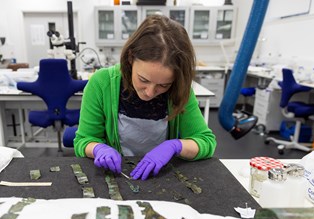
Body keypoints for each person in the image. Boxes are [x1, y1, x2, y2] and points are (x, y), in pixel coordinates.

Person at [74, 14, 217, 180]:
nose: (149, 92)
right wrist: (98, 148)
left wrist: (175, 146)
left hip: (161, 176)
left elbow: (206, 142)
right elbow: (83, 141)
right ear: (130, 58)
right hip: (119, 175)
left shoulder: (179, 89)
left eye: (163, 85)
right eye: (143, 80)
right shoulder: (102, 83)